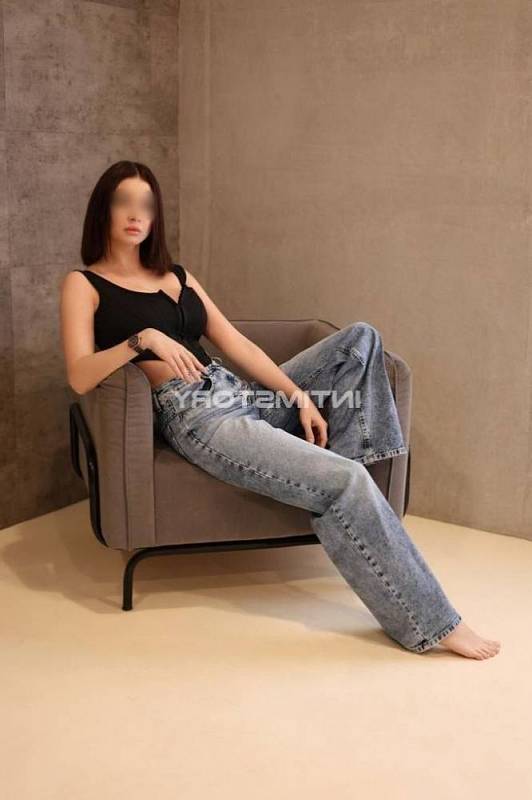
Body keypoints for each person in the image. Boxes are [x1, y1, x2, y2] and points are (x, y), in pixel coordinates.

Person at [60, 160, 501, 659]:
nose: (135, 215)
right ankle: (434, 622)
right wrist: (142, 340)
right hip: (199, 416)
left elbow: (237, 345)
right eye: (124, 202)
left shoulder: (177, 276)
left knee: (359, 339)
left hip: (240, 394)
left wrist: (297, 396)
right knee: (348, 481)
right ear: (103, 209)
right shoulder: (84, 284)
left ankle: (345, 492)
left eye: (146, 205)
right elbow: (79, 374)